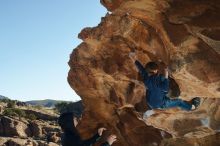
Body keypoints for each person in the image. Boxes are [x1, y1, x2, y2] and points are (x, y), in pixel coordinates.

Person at [129, 52, 200, 113]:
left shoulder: (146, 78)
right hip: (160, 104)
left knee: (161, 84)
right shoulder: (158, 81)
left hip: (150, 101)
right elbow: (166, 88)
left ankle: (166, 98)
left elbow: (140, 68)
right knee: (179, 102)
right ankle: (192, 107)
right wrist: (166, 72)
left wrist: (134, 59)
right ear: (155, 71)